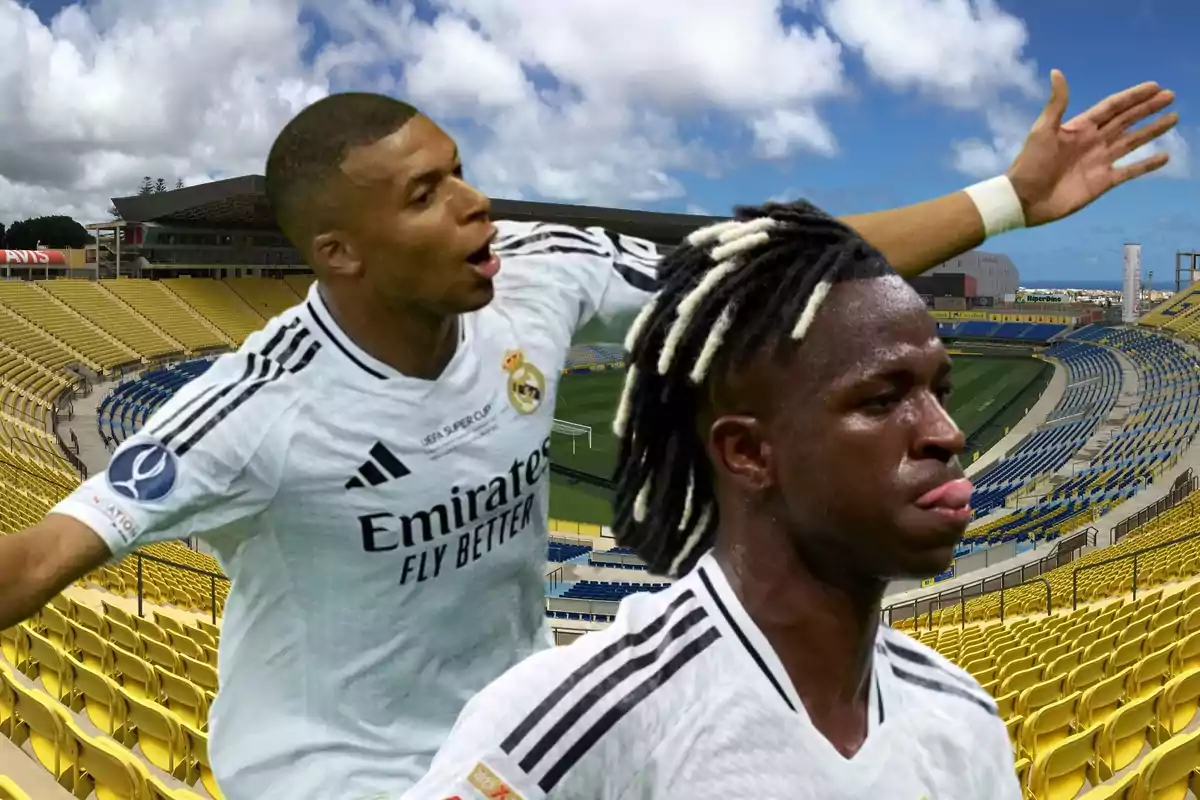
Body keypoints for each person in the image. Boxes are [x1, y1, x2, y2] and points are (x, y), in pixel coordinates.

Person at [0, 70, 1175, 799]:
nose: (473, 204)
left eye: (459, 172)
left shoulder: (538, 277)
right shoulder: (255, 404)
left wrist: (1009, 198)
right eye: (423, 195)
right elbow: (42, 557)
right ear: (338, 253)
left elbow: (760, 266)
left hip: (530, 747)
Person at [402, 201, 1019, 800]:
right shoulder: (579, 719)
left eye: (941, 390)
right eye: (882, 400)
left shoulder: (964, 717)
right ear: (747, 453)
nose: (945, 432)